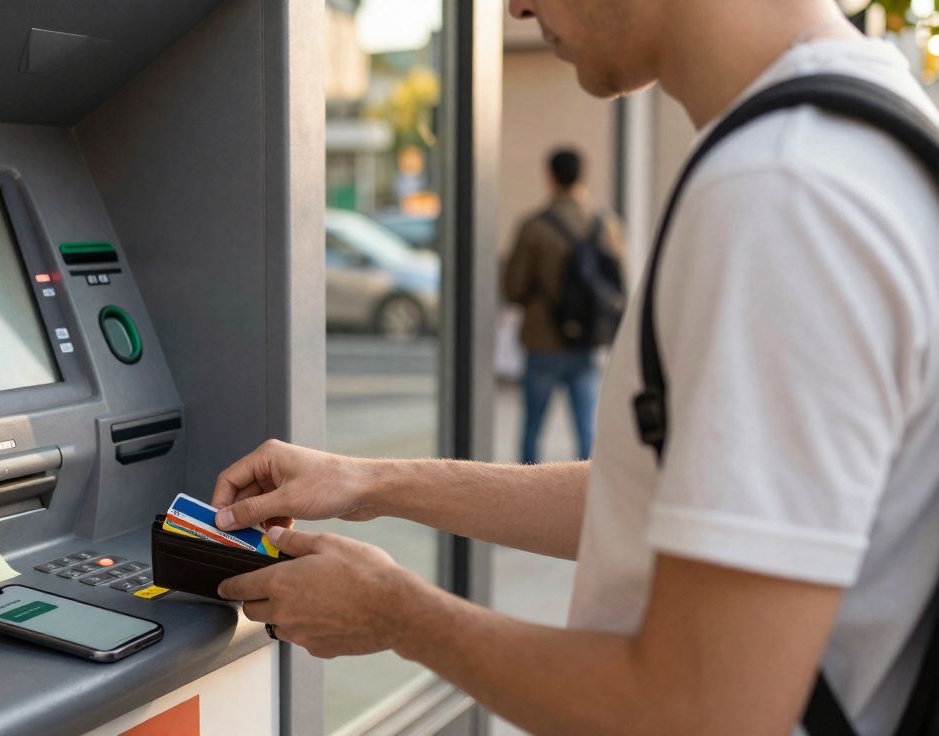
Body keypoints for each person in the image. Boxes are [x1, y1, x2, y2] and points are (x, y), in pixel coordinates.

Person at [213, 1, 939, 733]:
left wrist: (397, 614)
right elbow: (661, 500)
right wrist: (369, 481)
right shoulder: (861, 130)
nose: (516, 7)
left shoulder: (784, 192)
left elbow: (696, 713)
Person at [503, 147, 624, 464]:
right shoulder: (605, 224)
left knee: (532, 428)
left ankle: (527, 488)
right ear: (583, 176)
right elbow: (617, 282)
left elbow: (513, 289)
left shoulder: (534, 227)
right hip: (588, 340)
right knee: (586, 429)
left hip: (543, 339)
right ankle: (584, 490)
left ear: (550, 177)